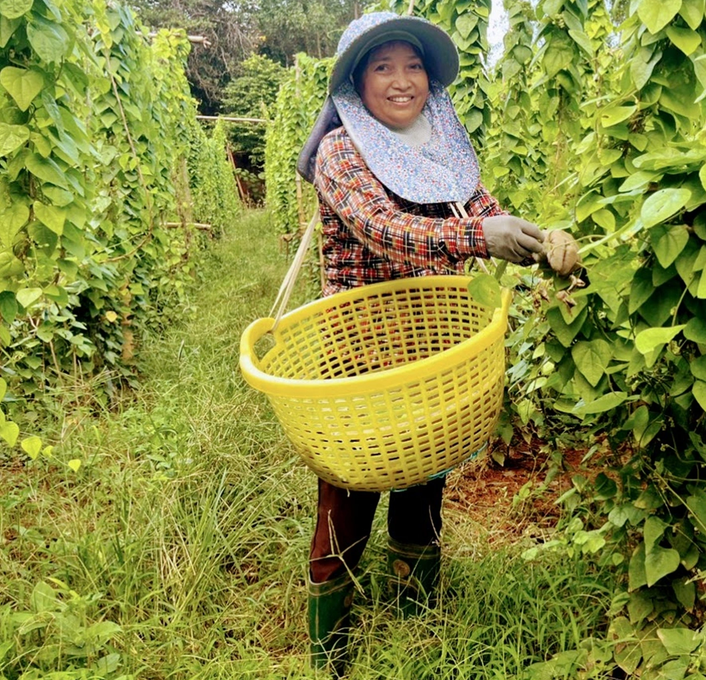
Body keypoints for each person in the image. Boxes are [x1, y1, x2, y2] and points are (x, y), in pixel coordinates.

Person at [295, 11, 545, 673]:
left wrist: (544, 244)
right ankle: (333, 644)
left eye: (413, 67)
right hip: (362, 354)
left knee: (423, 474)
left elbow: (483, 214)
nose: (402, 81)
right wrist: (479, 240)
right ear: (356, 82)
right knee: (351, 487)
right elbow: (387, 231)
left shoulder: (440, 145)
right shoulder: (341, 152)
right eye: (383, 68)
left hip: (436, 348)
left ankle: (416, 618)